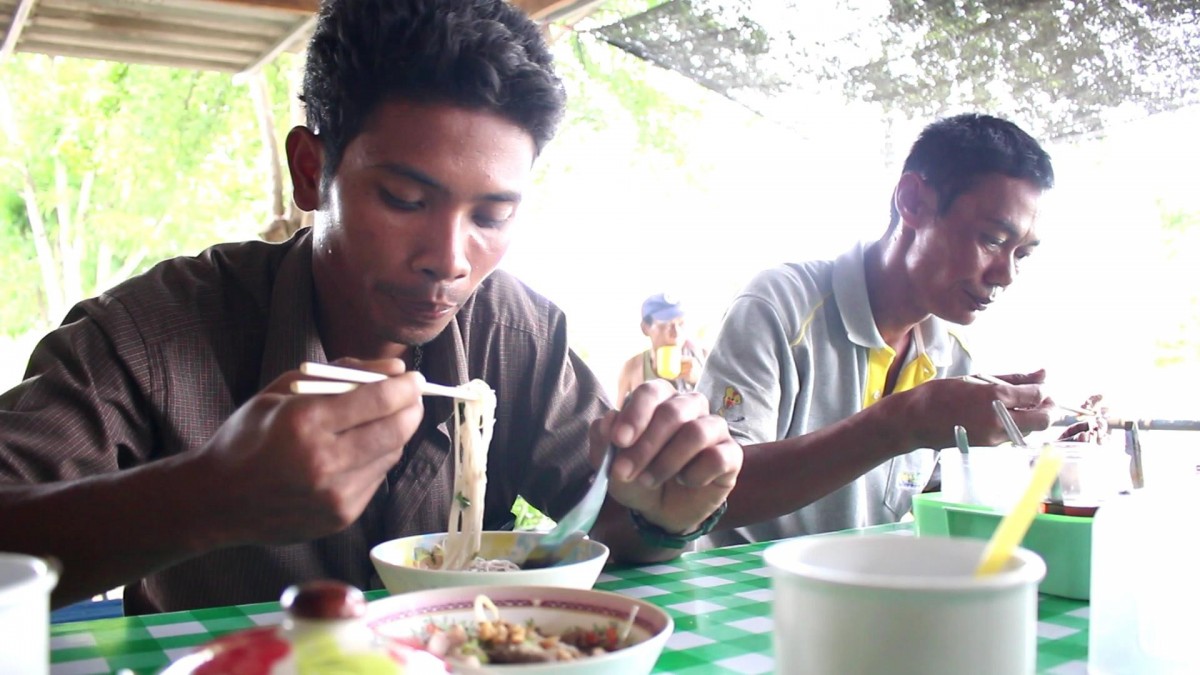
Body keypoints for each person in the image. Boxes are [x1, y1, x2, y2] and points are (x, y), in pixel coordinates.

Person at [0, 0, 741, 614]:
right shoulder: (154, 336)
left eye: (490, 216)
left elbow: (597, 525)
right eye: (405, 199)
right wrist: (208, 495)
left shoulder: (518, 335)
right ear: (311, 170)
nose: (450, 258)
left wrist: (663, 512)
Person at [698, 113, 1059, 547]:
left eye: (1022, 255)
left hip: (869, 593)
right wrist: (903, 421)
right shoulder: (780, 306)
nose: (1006, 276)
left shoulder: (954, 357)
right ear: (912, 201)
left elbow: (926, 496)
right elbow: (704, 492)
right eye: (993, 240)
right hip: (749, 597)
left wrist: (1041, 466)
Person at [616, 293, 708, 405]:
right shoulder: (632, 367)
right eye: (667, 325)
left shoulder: (703, 358)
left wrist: (699, 380)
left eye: (681, 324)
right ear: (645, 328)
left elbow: (725, 410)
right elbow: (618, 415)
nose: (676, 333)